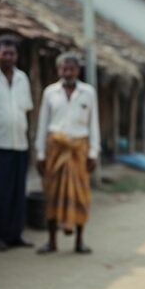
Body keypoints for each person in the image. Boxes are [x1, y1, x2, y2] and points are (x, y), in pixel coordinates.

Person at [35, 52, 100, 255]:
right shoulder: (50, 93)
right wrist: (40, 154)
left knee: (80, 195)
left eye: (71, 68)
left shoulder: (88, 92)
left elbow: (94, 124)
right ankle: (52, 241)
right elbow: (42, 124)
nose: (67, 72)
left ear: (77, 70)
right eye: (64, 68)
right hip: (55, 149)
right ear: (58, 70)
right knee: (52, 193)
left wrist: (94, 152)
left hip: (79, 149)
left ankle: (79, 241)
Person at [0, 35, 33, 251]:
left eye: (12, 53)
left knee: (17, 192)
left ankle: (15, 234)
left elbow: (25, 110)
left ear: (17, 56)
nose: (9, 57)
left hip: (19, 144)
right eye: (4, 53)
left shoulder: (23, 78)